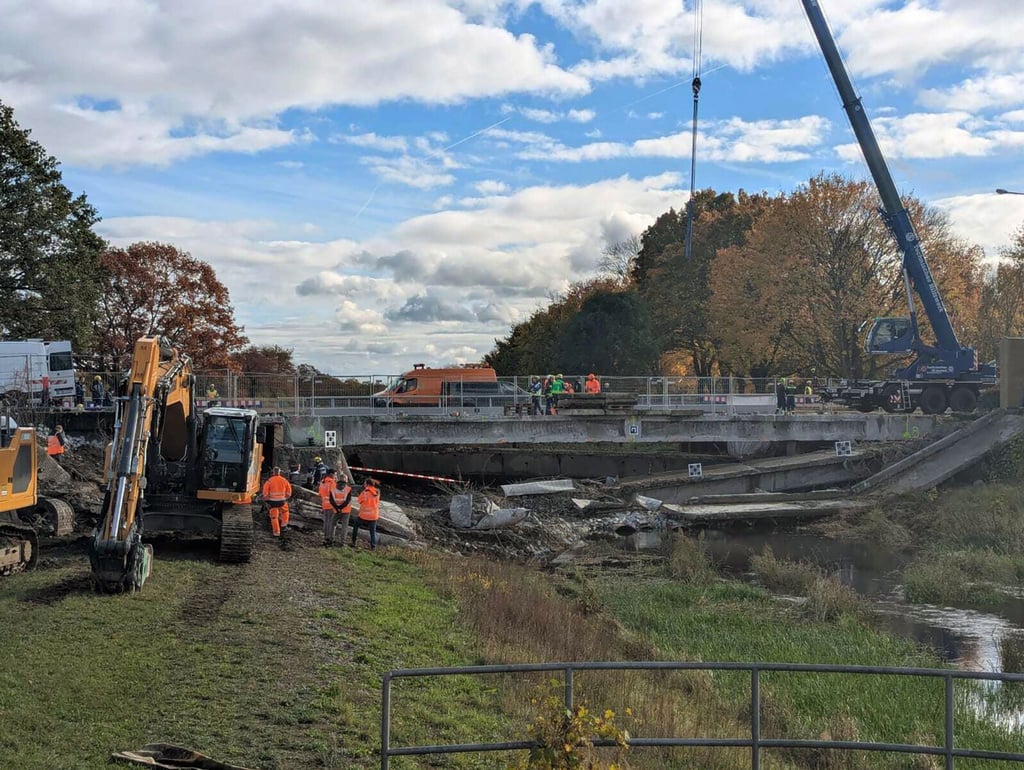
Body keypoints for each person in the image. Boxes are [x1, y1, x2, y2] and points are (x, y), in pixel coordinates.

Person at [323, 471, 354, 547]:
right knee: (344, 526)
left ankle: (330, 539)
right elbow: (348, 500)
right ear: (346, 480)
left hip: (336, 510)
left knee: (332, 524)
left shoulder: (333, 488)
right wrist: (341, 508)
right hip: (346, 510)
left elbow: (331, 500)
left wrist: (337, 509)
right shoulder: (348, 489)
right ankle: (342, 541)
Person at [262, 466, 292, 537]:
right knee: (285, 512)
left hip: (272, 502)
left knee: (274, 517)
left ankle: (276, 532)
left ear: (273, 473)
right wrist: (285, 498)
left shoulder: (269, 481)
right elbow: (289, 493)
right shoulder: (284, 480)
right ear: (279, 472)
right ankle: (284, 526)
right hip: (282, 501)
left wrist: (267, 500)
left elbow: (265, 494)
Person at [352, 478, 381, 549]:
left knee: (355, 526)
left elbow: (359, 501)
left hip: (363, 515)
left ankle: (353, 541)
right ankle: (373, 546)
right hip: (373, 515)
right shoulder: (377, 492)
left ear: (367, 484)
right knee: (372, 531)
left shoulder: (364, 492)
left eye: (365, 483)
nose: (364, 485)